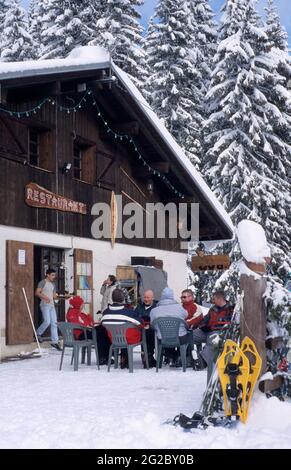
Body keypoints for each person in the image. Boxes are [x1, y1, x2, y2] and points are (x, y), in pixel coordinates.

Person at [192, 290, 234, 382]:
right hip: (206, 331)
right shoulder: (213, 309)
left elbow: (228, 324)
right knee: (190, 336)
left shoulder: (230, 309)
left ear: (220, 298)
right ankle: (189, 358)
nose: (213, 301)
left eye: (214, 299)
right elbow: (205, 320)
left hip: (217, 332)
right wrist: (201, 326)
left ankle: (204, 361)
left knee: (211, 342)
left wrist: (213, 326)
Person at [150, 287, 192, 367]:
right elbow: (186, 315)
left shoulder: (154, 310)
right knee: (187, 335)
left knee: (166, 335)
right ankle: (182, 356)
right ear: (172, 296)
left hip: (163, 339)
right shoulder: (180, 308)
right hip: (180, 338)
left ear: (161, 297)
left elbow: (152, 324)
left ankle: (169, 356)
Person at [101, 289, 143, 368]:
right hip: (129, 339)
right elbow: (140, 323)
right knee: (132, 332)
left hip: (113, 339)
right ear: (123, 299)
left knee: (123, 333)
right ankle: (142, 357)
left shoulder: (105, 312)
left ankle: (123, 358)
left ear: (112, 298)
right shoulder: (129, 312)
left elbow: (102, 323)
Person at [66, 296, 111, 365]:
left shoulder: (80, 312)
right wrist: (88, 325)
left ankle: (105, 357)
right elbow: (78, 324)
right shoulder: (72, 313)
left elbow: (91, 322)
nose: (83, 305)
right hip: (80, 334)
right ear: (77, 304)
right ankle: (102, 358)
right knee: (102, 333)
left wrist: (87, 315)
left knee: (104, 330)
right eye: (82, 303)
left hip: (86, 332)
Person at [35, 268, 62, 351]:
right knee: (47, 321)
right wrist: (45, 297)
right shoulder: (42, 282)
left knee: (54, 323)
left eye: (54, 275)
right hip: (44, 305)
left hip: (51, 305)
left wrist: (59, 296)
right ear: (47, 274)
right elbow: (37, 293)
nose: (54, 277)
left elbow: (54, 296)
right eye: (52, 275)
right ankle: (38, 333)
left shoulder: (53, 284)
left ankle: (55, 342)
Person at [135, 290, 157, 368]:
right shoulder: (139, 307)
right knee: (144, 332)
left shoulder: (156, 306)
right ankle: (147, 357)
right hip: (140, 329)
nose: (146, 299)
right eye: (145, 297)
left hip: (152, 330)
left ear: (152, 298)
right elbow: (135, 317)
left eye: (148, 297)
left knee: (149, 332)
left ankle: (148, 356)